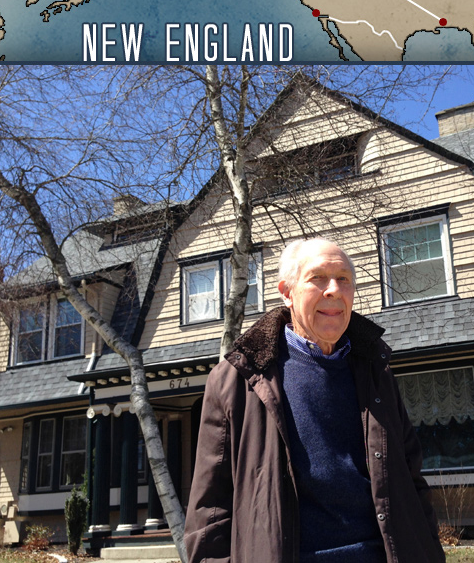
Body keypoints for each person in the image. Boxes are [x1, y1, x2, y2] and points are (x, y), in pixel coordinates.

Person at [184, 238, 445, 563]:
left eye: (344, 279)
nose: (334, 289)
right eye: (317, 278)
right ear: (287, 292)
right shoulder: (238, 378)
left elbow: (411, 480)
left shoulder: (376, 370)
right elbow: (209, 511)